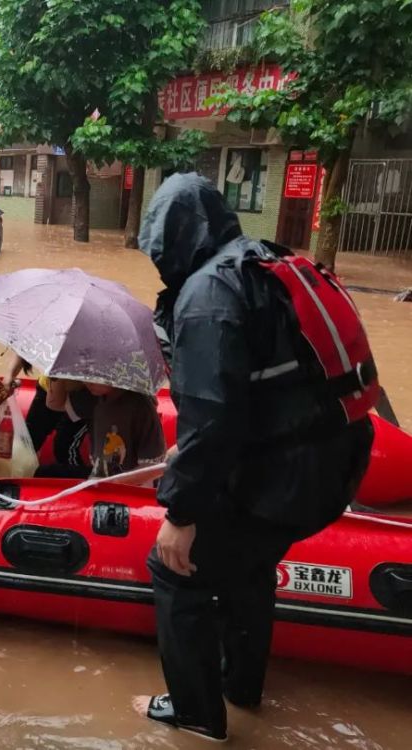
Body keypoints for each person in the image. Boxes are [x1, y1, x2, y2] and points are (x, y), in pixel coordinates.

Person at [134, 173, 375, 741]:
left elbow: (214, 416)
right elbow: (264, 392)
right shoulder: (268, 262)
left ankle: (195, 714)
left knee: (173, 570)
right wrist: (192, 456)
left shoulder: (206, 296)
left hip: (285, 475)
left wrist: (180, 514)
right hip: (333, 465)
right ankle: (240, 687)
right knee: (248, 564)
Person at [44, 379, 164, 479]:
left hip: (131, 487)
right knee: (45, 470)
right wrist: (56, 374)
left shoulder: (140, 405)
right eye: (86, 374)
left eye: (95, 376)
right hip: (100, 478)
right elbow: (53, 403)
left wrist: (116, 483)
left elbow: (153, 467)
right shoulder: (92, 397)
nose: (87, 382)